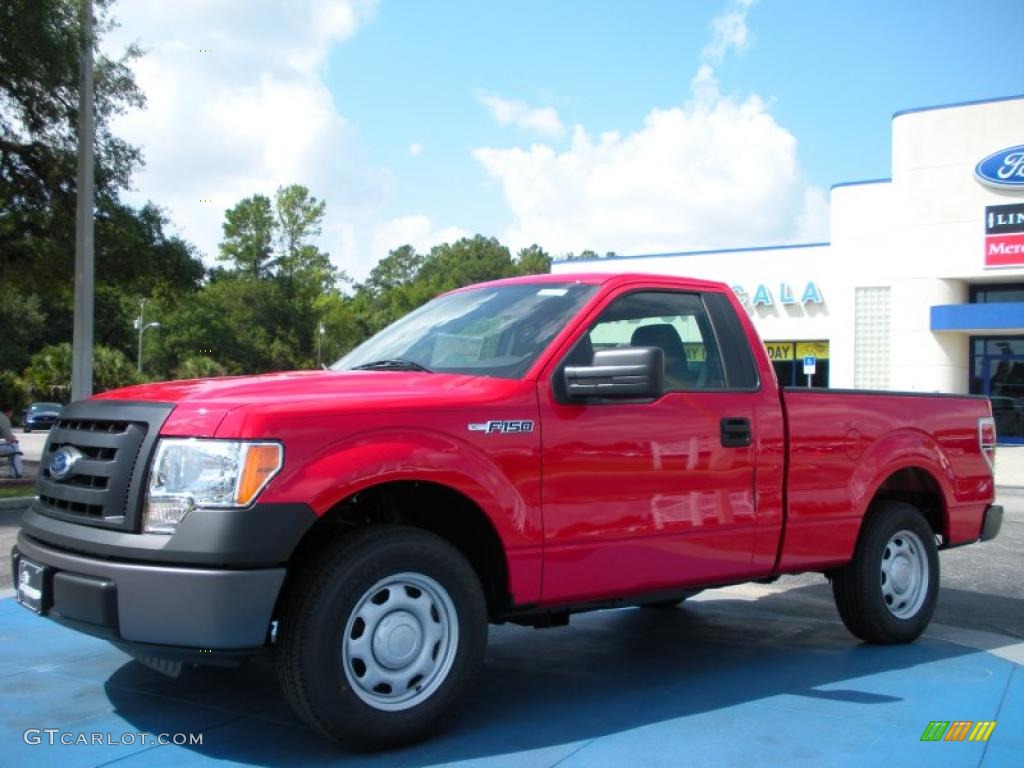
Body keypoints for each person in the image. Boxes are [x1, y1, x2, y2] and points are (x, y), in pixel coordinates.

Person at [0, 403, 24, 478]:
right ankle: (16, 474)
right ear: (9, 412)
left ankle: (15, 473)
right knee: (14, 446)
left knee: (13, 446)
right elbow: (9, 438)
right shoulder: (3, 418)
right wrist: (13, 439)